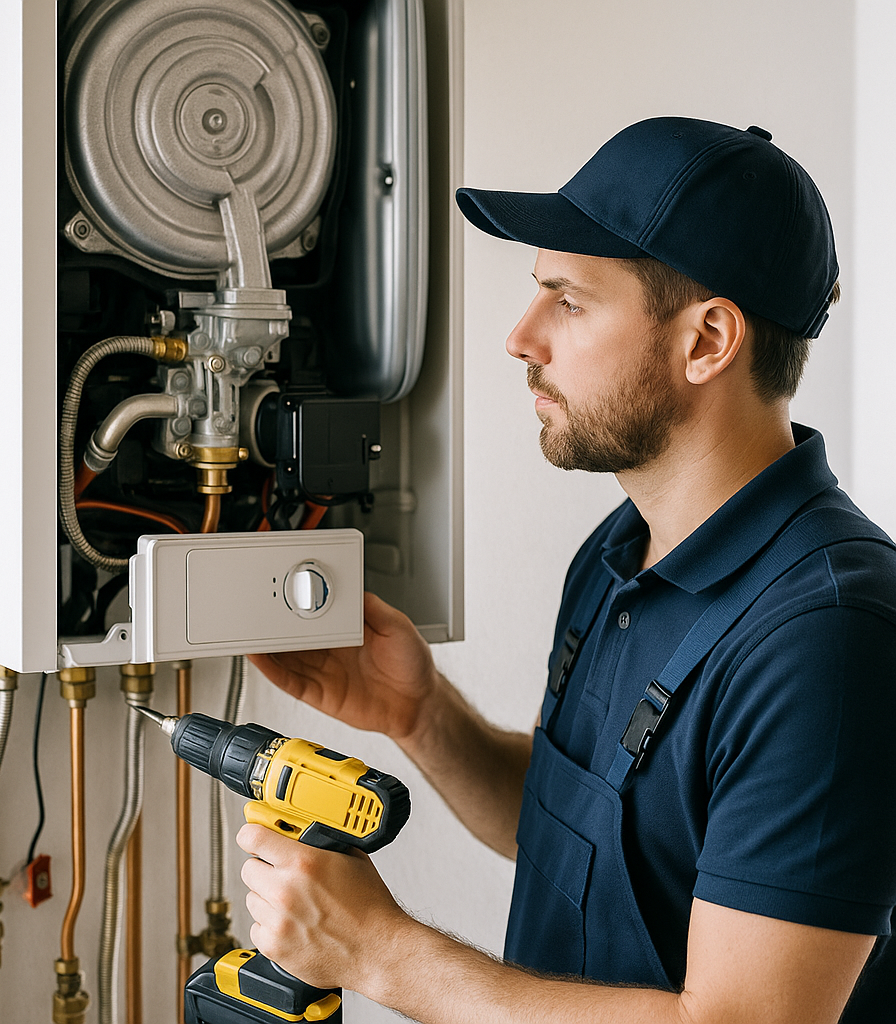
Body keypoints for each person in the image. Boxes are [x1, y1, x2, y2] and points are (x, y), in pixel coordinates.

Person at [240, 117, 896, 1023]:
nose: (521, 337)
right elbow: (589, 843)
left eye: (569, 300)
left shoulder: (829, 633)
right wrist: (422, 715)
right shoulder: (619, 551)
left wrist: (379, 952)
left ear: (708, 340)